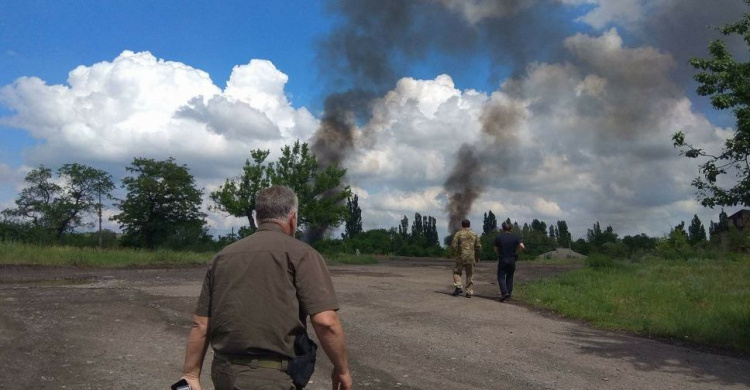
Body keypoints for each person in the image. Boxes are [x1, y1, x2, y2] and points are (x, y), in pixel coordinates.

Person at [178, 185, 352, 390]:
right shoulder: (302, 254)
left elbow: (200, 324)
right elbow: (326, 322)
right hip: (270, 378)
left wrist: (190, 374)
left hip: (223, 373)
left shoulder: (223, 256)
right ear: (293, 218)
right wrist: (342, 370)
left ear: (257, 217)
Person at [494, 221, 525, 302]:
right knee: (510, 277)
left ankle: (504, 292)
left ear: (502, 228)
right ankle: (509, 295)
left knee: (501, 276)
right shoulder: (515, 237)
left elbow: (495, 249)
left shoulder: (499, 237)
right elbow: (522, 246)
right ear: (511, 228)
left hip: (503, 258)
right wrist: (516, 253)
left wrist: (499, 254)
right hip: (512, 259)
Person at [450, 219, 481, 298]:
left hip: (461, 257)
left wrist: (453, 253)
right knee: (470, 274)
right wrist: (477, 257)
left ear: (462, 225)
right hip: (471, 257)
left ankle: (458, 286)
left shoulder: (458, 234)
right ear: (469, 225)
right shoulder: (474, 234)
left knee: (457, 272)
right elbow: (478, 247)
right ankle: (469, 291)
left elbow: (453, 245)